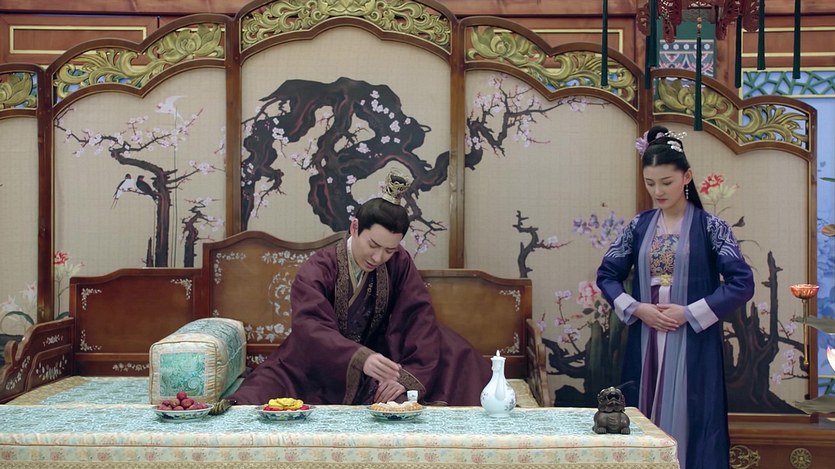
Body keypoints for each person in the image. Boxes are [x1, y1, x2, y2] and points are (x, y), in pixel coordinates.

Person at [227, 168, 490, 406]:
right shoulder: (319, 268)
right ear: (355, 227)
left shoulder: (399, 261)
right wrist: (360, 358)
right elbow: (310, 327)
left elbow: (416, 317)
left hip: (380, 355)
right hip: (317, 359)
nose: (378, 257)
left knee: (453, 351)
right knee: (259, 396)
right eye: (373, 245)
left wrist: (404, 376)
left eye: (389, 250)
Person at [596, 126, 754, 469]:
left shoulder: (712, 228)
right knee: (641, 411)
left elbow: (742, 283)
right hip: (646, 336)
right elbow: (607, 275)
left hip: (694, 340)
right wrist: (638, 308)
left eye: (666, 182)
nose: (658, 191)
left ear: (687, 177)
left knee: (696, 415)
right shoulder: (638, 227)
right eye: (650, 183)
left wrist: (690, 313)